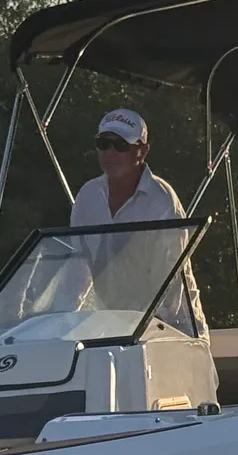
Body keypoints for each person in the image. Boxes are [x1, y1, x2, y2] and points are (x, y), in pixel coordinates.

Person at [71, 108, 207, 338]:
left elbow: (170, 289)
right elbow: (76, 270)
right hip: (115, 329)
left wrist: (149, 335)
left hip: (173, 331)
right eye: (103, 143)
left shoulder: (162, 202)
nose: (110, 153)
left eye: (120, 145)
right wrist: (62, 323)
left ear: (142, 151)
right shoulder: (87, 196)